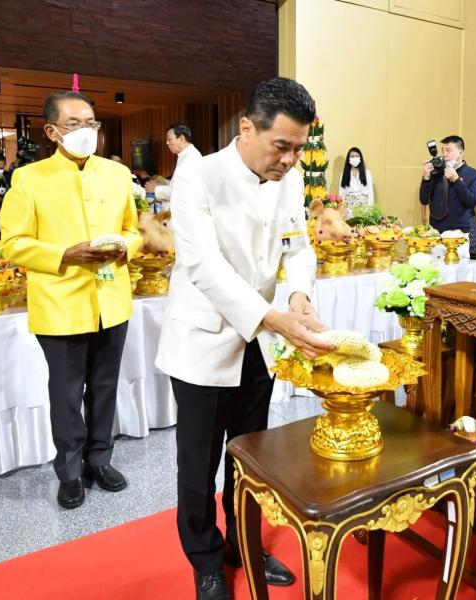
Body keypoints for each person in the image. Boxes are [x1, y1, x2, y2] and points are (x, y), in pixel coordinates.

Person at [155, 77, 334, 600]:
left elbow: (297, 247)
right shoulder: (198, 175)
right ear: (247, 128)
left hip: (256, 343)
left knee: (250, 457)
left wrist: (298, 295)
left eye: (298, 148)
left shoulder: (289, 180)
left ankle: (245, 543)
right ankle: (205, 560)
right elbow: (203, 265)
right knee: (199, 464)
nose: (290, 160)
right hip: (204, 340)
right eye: (281, 146)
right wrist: (273, 319)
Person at [0, 90, 142, 510]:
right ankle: (69, 469)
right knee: (66, 393)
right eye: (74, 124)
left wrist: (125, 247)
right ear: (52, 131)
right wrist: (64, 253)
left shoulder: (117, 174)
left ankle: (100, 459)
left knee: (104, 386)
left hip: (111, 299)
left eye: (91, 123)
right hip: (60, 302)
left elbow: (133, 229)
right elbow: (12, 243)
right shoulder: (30, 179)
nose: (86, 131)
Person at [419, 135, 476, 258]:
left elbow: (471, 202)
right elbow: (423, 200)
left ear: (461, 152)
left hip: (459, 234)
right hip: (436, 233)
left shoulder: (474, 174)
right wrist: (426, 178)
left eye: (448, 150)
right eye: (443, 150)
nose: (444, 154)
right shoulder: (437, 173)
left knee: (459, 268)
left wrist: (456, 180)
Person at [144, 123, 203, 202]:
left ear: (181, 139)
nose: (167, 143)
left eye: (169, 139)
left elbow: (181, 192)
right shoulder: (185, 155)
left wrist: (156, 189)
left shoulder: (191, 159)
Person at [338, 146, 374, 218]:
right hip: (348, 208)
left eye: (357, 156)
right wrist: (341, 211)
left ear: (360, 158)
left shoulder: (367, 173)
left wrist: (369, 211)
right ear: (348, 159)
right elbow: (341, 194)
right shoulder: (343, 174)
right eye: (352, 156)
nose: (354, 158)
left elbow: (370, 193)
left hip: (363, 208)